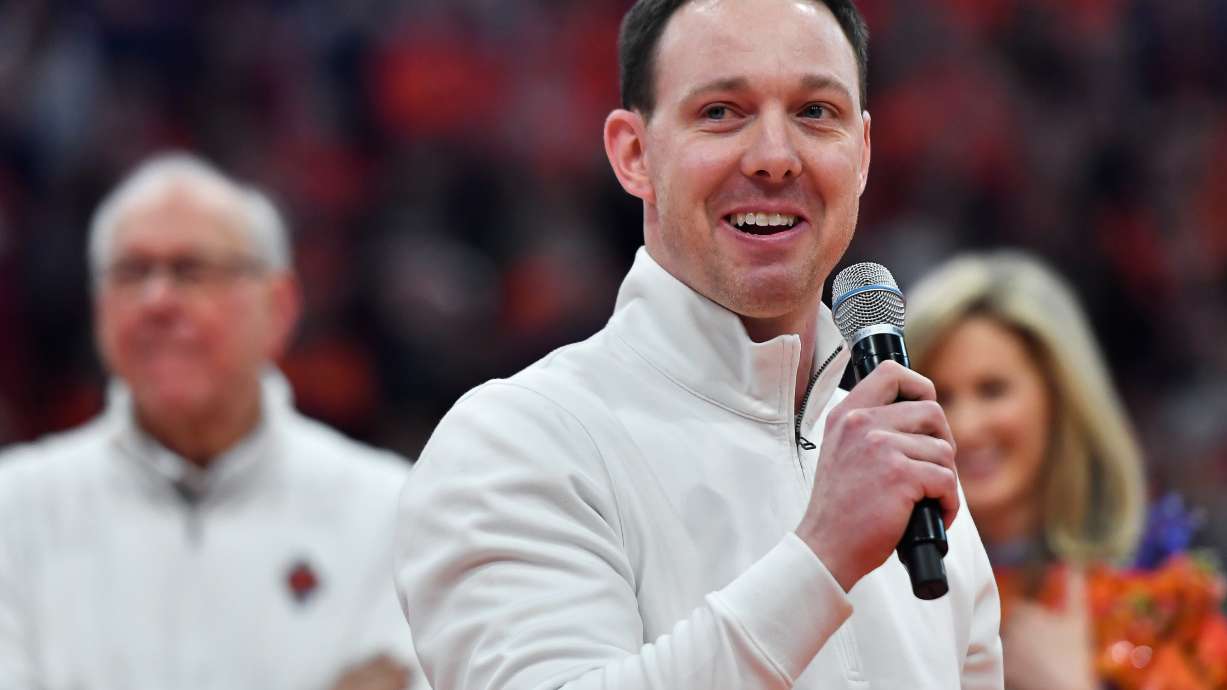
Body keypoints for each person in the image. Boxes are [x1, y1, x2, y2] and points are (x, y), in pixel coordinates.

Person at [394, 1, 1003, 688]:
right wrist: (822, 555)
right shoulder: (517, 443)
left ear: (861, 154)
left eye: (815, 113)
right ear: (634, 154)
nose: (776, 158)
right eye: (721, 112)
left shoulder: (904, 466)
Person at [0, 153, 425, 690]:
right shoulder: (13, 512)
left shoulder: (388, 510)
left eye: (191, 270)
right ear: (99, 307)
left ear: (280, 306)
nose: (158, 300)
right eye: (131, 272)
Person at [904, 250, 1202, 690]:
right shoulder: (873, 594)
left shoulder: (1161, 596)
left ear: (1061, 400)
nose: (964, 426)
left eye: (992, 390)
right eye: (941, 396)